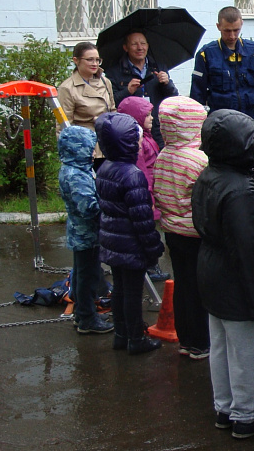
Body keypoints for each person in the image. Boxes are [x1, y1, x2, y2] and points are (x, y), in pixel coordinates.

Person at [192, 109, 254, 439]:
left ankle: (225, 407)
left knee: (221, 346)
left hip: (212, 271)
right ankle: (248, 415)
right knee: (247, 350)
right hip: (236, 280)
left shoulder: (209, 175)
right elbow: (250, 250)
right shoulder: (241, 191)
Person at [94, 112, 165, 354]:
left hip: (112, 241)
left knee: (120, 289)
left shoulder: (105, 167)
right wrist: (154, 248)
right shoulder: (132, 175)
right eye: (135, 140)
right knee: (133, 294)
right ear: (125, 143)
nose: (138, 143)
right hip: (131, 244)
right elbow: (142, 219)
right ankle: (136, 338)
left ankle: (120, 334)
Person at [152, 96, 210, 360]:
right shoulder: (199, 160)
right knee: (199, 289)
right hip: (194, 233)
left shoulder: (164, 154)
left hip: (172, 230)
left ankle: (186, 340)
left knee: (182, 284)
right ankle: (200, 342)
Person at [57, 125, 113, 335]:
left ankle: (82, 313)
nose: (92, 153)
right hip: (86, 234)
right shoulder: (76, 176)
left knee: (82, 274)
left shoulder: (74, 169)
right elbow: (88, 208)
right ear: (77, 149)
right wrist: (107, 208)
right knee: (87, 277)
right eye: (89, 149)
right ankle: (88, 319)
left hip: (80, 233)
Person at [191, 6, 254, 125]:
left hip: (248, 121)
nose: (232, 36)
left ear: (242, 24)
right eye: (227, 31)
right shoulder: (205, 54)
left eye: (236, 30)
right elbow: (197, 96)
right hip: (220, 123)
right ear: (218, 26)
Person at [117, 96, 168, 282]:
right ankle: (150, 266)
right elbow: (143, 174)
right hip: (146, 196)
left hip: (150, 193)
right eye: (147, 115)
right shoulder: (138, 143)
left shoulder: (147, 137)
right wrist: (150, 200)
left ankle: (151, 264)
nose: (152, 118)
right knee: (146, 233)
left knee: (149, 231)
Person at [107, 30, 180, 148]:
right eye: (134, 44)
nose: (140, 47)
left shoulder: (158, 67)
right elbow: (112, 103)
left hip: (156, 127)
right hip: (131, 129)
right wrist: (127, 91)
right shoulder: (115, 72)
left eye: (143, 43)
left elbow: (173, 98)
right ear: (126, 47)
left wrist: (167, 83)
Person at [57, 42, 116, 169]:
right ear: (76, 61)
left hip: (108, 144)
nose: (95, 64)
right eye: (89, 60)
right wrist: (78, 150)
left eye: (97, 60)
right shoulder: (67, 88)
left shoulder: (105, 82)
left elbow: (113, 110)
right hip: (85, 147)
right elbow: (64, 126)